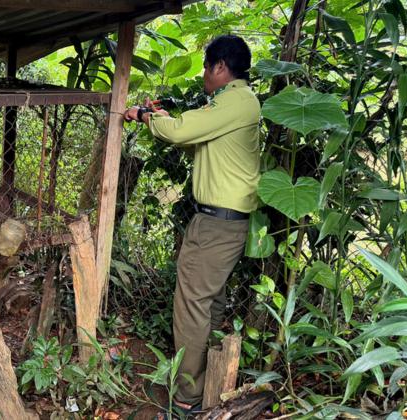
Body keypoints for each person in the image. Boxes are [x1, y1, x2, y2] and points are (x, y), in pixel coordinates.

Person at [125, 35, 260, 414]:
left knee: (190, 307)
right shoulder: (234, 103)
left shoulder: (235, 100)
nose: (203, 74)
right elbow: (193, 136)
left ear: (220, 67)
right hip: (220, 222)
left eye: (206, 66)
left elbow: (183, 131)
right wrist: (165, 120)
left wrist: (145, 117)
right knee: (209, 305)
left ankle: (186, 397)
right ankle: (209, 385)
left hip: (218, 225)